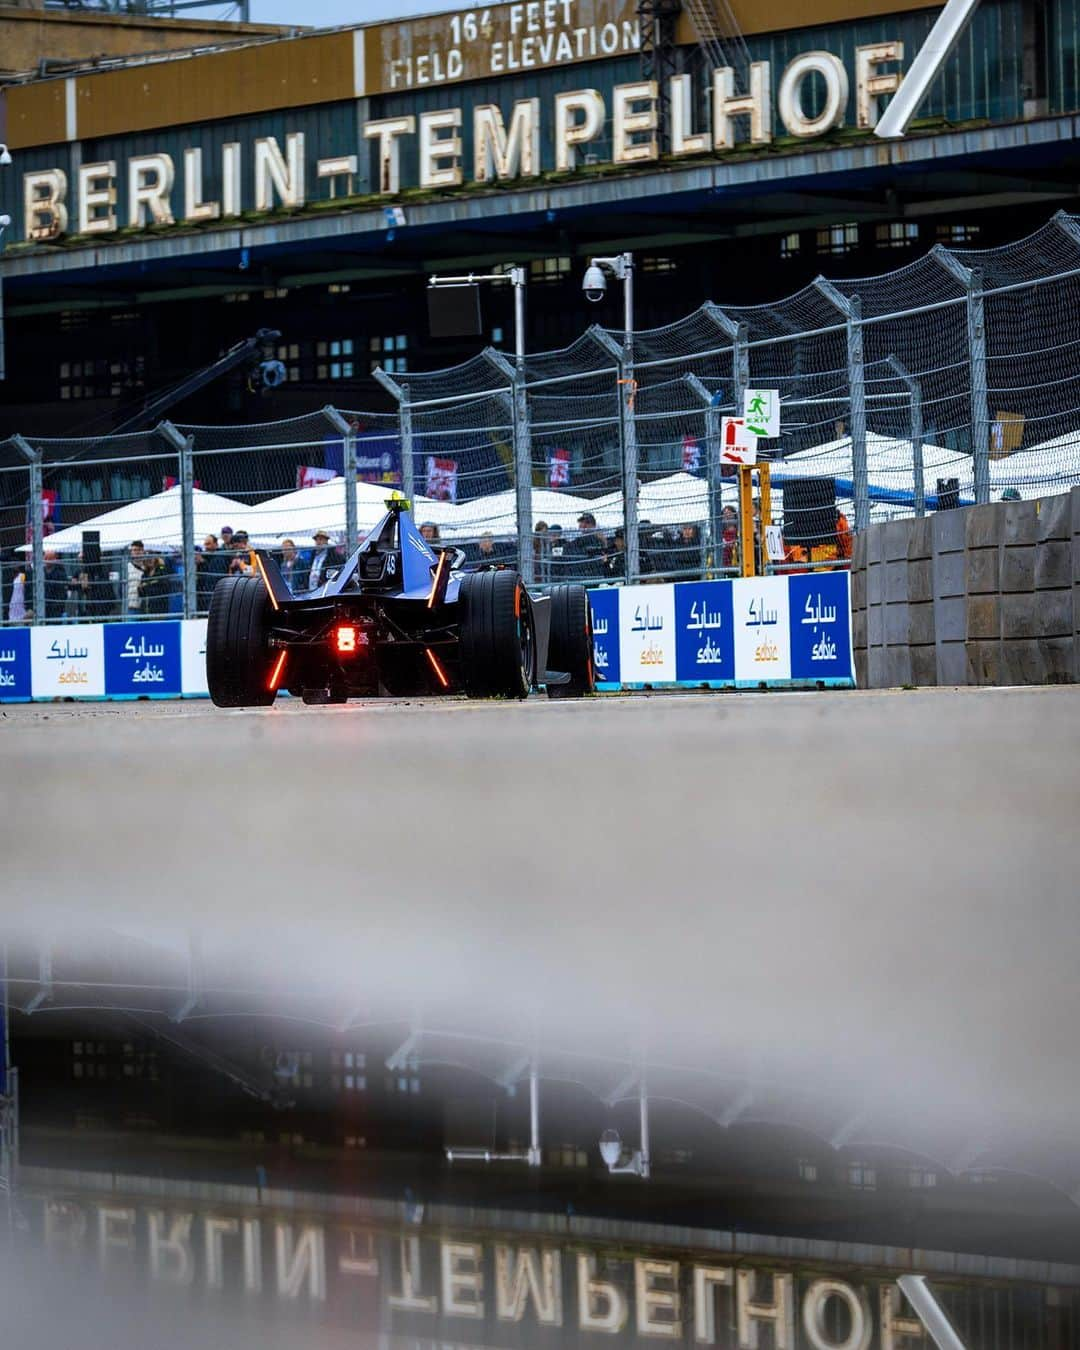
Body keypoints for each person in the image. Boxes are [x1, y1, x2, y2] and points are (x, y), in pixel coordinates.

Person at [196, 533, 229, 611]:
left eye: (209, 544)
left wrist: (203, 563)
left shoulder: (220, 557)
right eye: (205, 544)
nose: (206, 547)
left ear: (216, 544)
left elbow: (213, 575)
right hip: (204, 594)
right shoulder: (206, 557)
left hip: (214, 594)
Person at [571, 511, 606, 580]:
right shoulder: (577, 541)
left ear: (594, 525)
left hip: (595, 575)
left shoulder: (598, 539)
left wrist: (604, 541)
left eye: (587, 523)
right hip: (579, 574)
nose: (584, 525)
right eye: (582, 522)